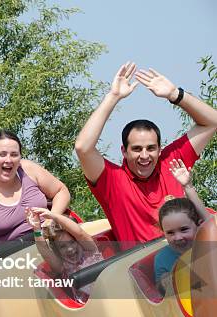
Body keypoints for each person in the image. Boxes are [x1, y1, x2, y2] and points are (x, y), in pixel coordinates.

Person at [75, 62, 217, 244]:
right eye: (136, 149)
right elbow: (82, 148)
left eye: (151, 148)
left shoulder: (172, 162)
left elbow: (211, 122)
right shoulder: (112, 180)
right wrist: (113, 96)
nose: (144, 156)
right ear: (123, 152)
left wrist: (175, 94)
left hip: (189, 260)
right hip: (145, 270)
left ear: (159, 149)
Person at [0, 130, 71, 243]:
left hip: (52, 239)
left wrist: (51, 218)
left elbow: (61, 192)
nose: (8, 160)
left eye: (14, 155)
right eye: (2, 154)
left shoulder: (28, 169)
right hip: (17, 255)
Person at [154, 159, 212, 292]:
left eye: (184, 229)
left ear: (198, 225)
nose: (178, 237)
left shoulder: (207, 243)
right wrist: (170, 280)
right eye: (170, 233)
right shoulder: (162, 259)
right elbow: (162, 290)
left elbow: (209, 224)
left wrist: (188, 187)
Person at [26, 207, 103, 303]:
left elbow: (80, 233)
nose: (70, 249)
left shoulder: (90, 252)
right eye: (62, 246)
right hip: (88, 307)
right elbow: (45, 251)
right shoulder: (63, 266)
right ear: (57, 251)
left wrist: (53, 216)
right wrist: (37, 229)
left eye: (72, 242)